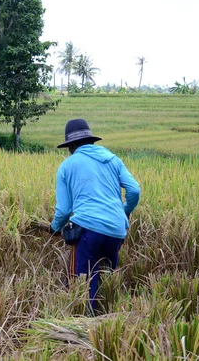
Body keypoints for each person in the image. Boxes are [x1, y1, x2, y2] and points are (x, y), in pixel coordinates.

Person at [49, 118, 140, 312]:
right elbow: (134, 190)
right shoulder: (113, 159)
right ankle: (109, 323)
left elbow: (64, 210)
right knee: (107, 280)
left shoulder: (67, 166)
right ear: (91, 141)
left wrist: (54, 228)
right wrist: (124, 212)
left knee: (83, 284)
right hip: (116, 231)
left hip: (87, 230)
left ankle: (84, 329)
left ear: (71, 145)